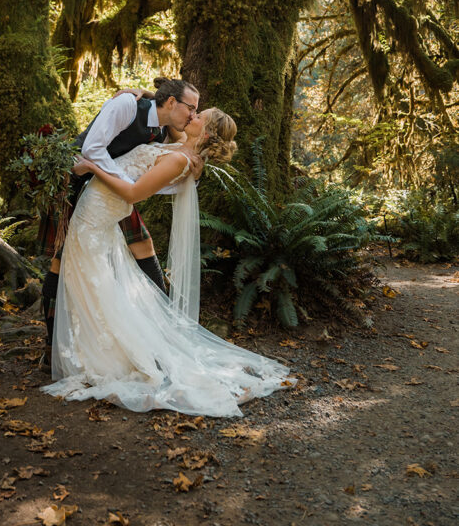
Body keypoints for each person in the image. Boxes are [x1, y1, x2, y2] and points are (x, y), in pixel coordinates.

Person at [41, 109, 291, 417]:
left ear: (207, 133)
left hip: (99, 211)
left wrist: (92, 167)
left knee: (88, 278)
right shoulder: (182, 149)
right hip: (96, 209)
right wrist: (138, 95)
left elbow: (133, 192)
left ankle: (106, 358)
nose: (194, 114)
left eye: (201, 115)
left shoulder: (180, 161)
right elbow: (164, 113)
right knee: (91, 279)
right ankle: (97, 350)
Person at [38, 78, 201, 368]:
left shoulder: (163, 128)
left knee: (144, 244)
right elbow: (92, 148)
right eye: (191, 108)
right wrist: (126, 185)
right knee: (61, 263)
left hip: (110, 191)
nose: (192, 115)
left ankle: (163, 332)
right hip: (75, 184)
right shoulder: (126, 105)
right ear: (172, 102)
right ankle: (51, 348)